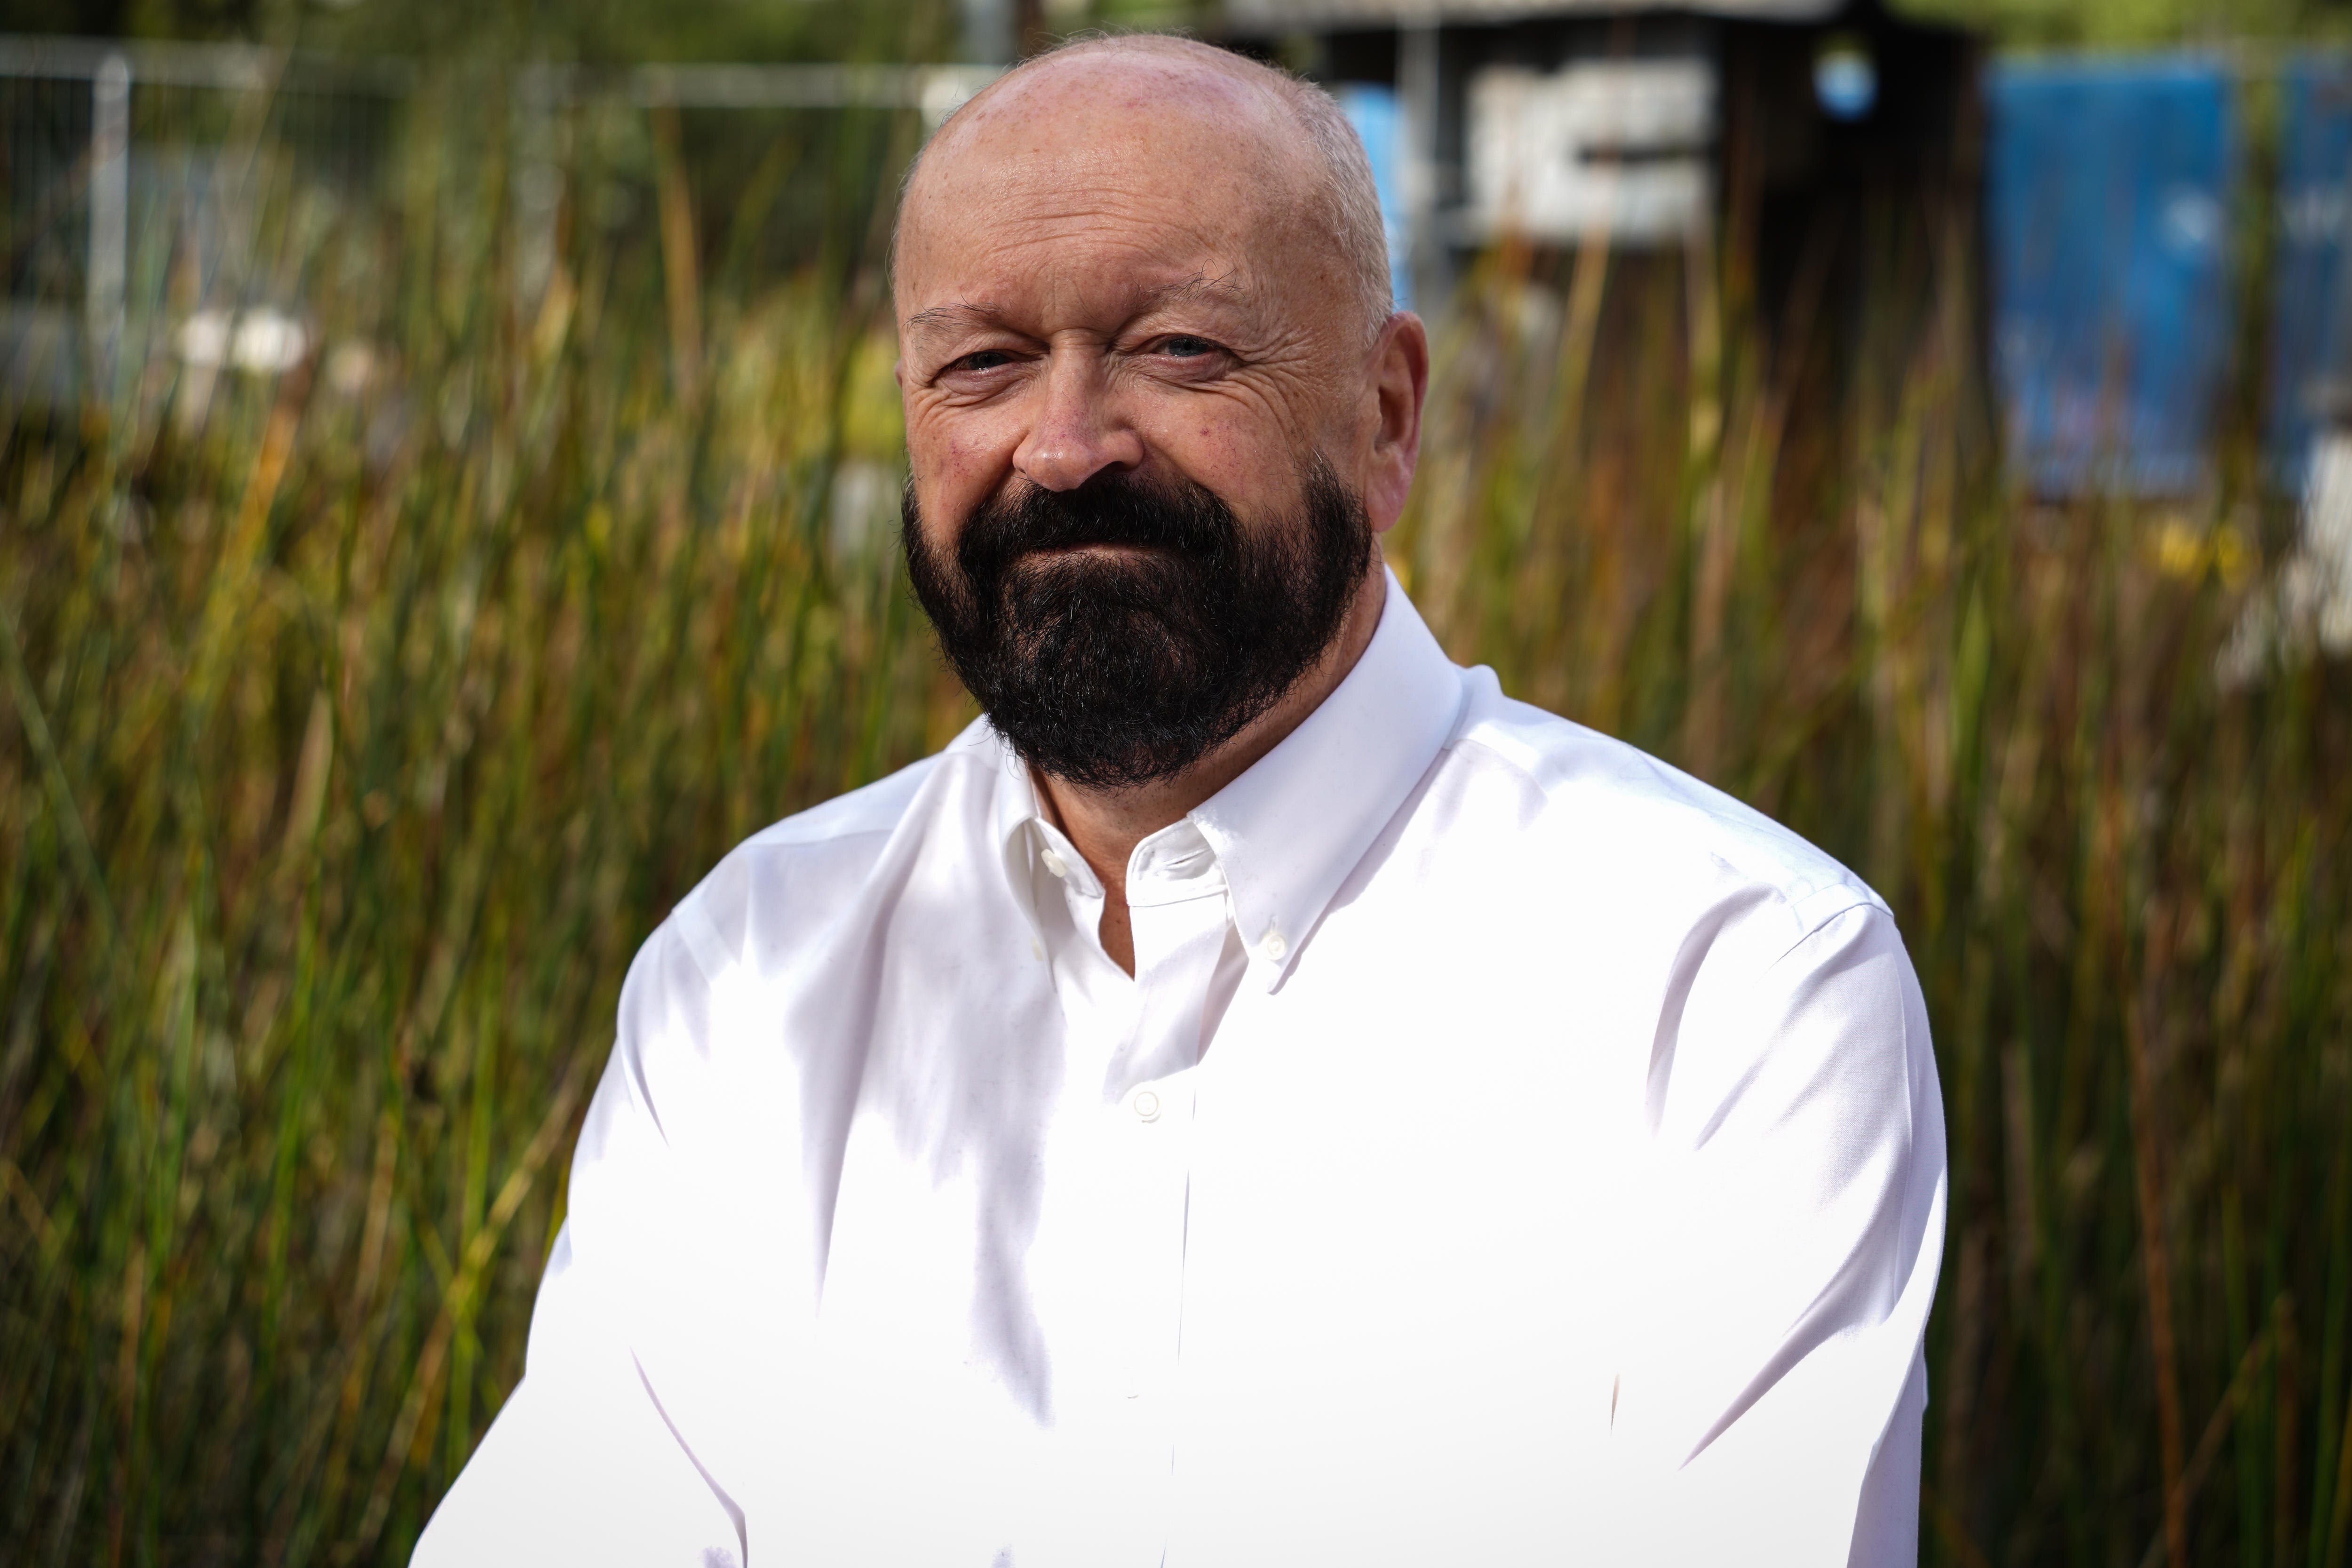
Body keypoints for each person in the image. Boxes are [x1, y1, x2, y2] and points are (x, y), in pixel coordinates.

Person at [415, 33, 1945, 1568]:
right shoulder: (752, 977)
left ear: (1388, 414)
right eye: (983, 364)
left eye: (1179, 349)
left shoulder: (1731, 985)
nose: (1068, 447)